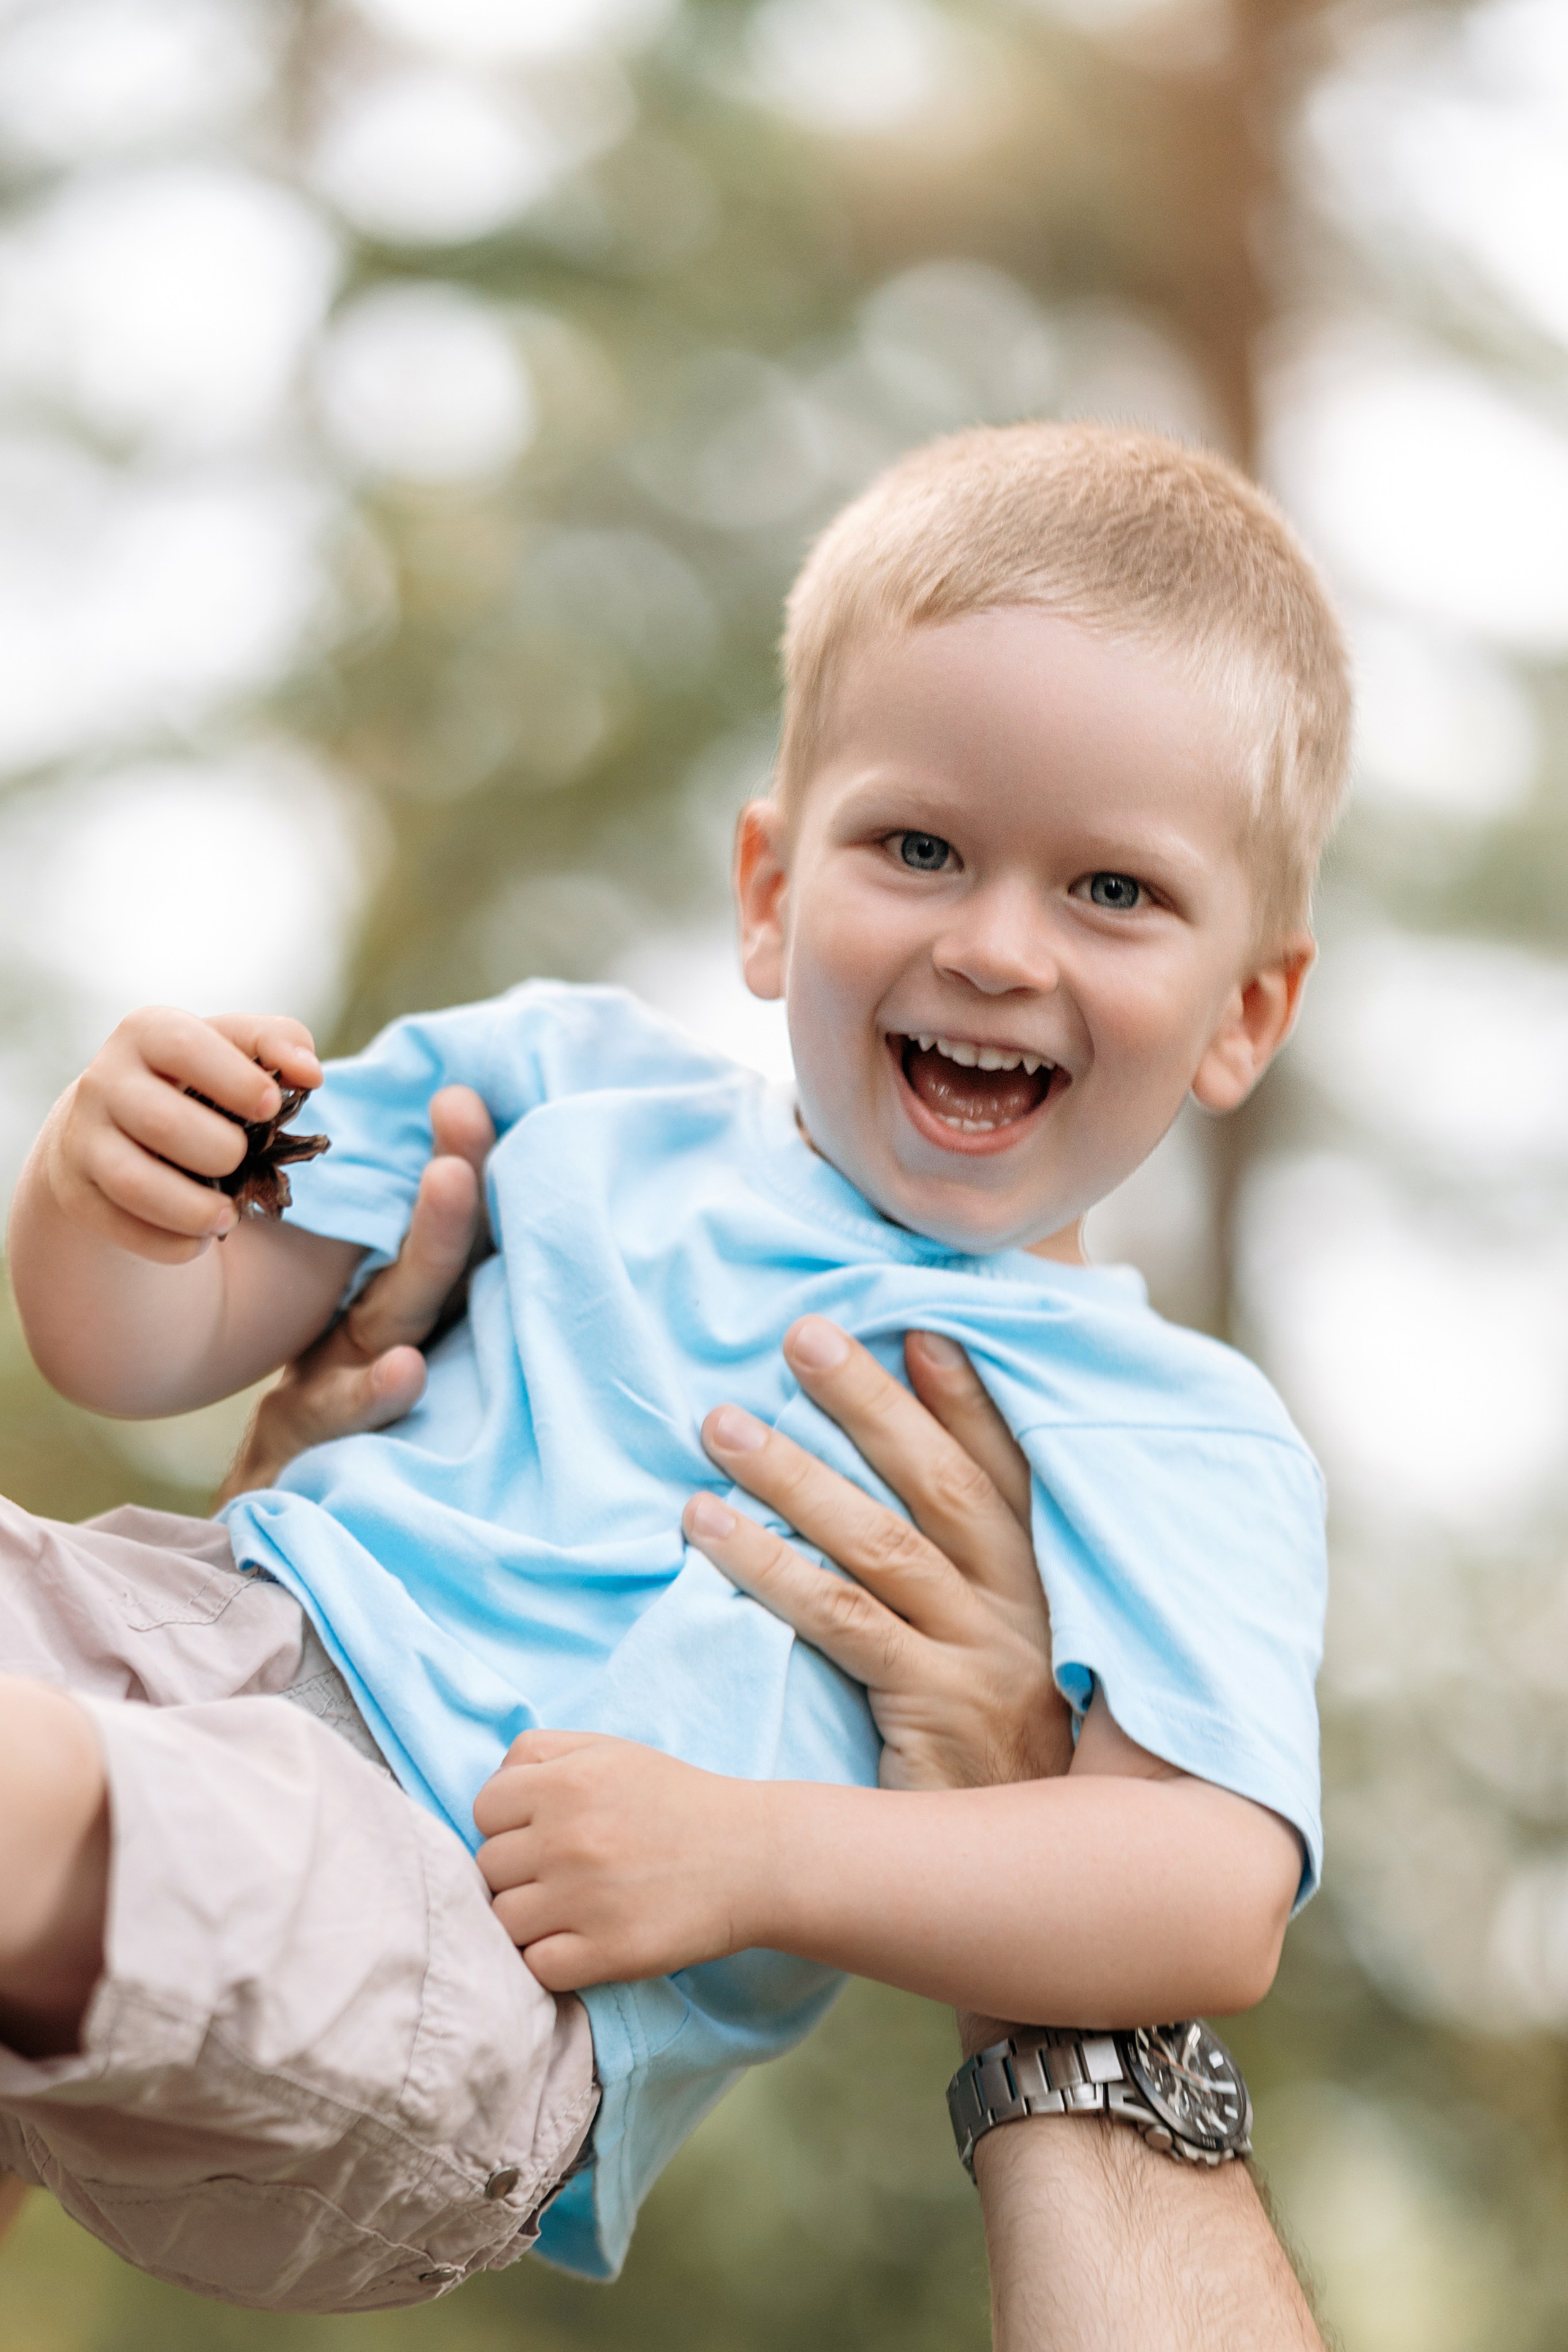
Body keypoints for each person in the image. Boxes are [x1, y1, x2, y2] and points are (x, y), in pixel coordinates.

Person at [0, 421, 1347, 2306]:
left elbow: (1201, 1892)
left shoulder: (1159, 1426)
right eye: (920, 845)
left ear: (1247, 1012)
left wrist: (760, 1857)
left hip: (457, 1935)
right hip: (182, 1644)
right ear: (771, 889)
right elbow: (132, 1346)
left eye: (1112, 892)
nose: (993, 945)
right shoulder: (566, 1089)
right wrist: (101, 1185)